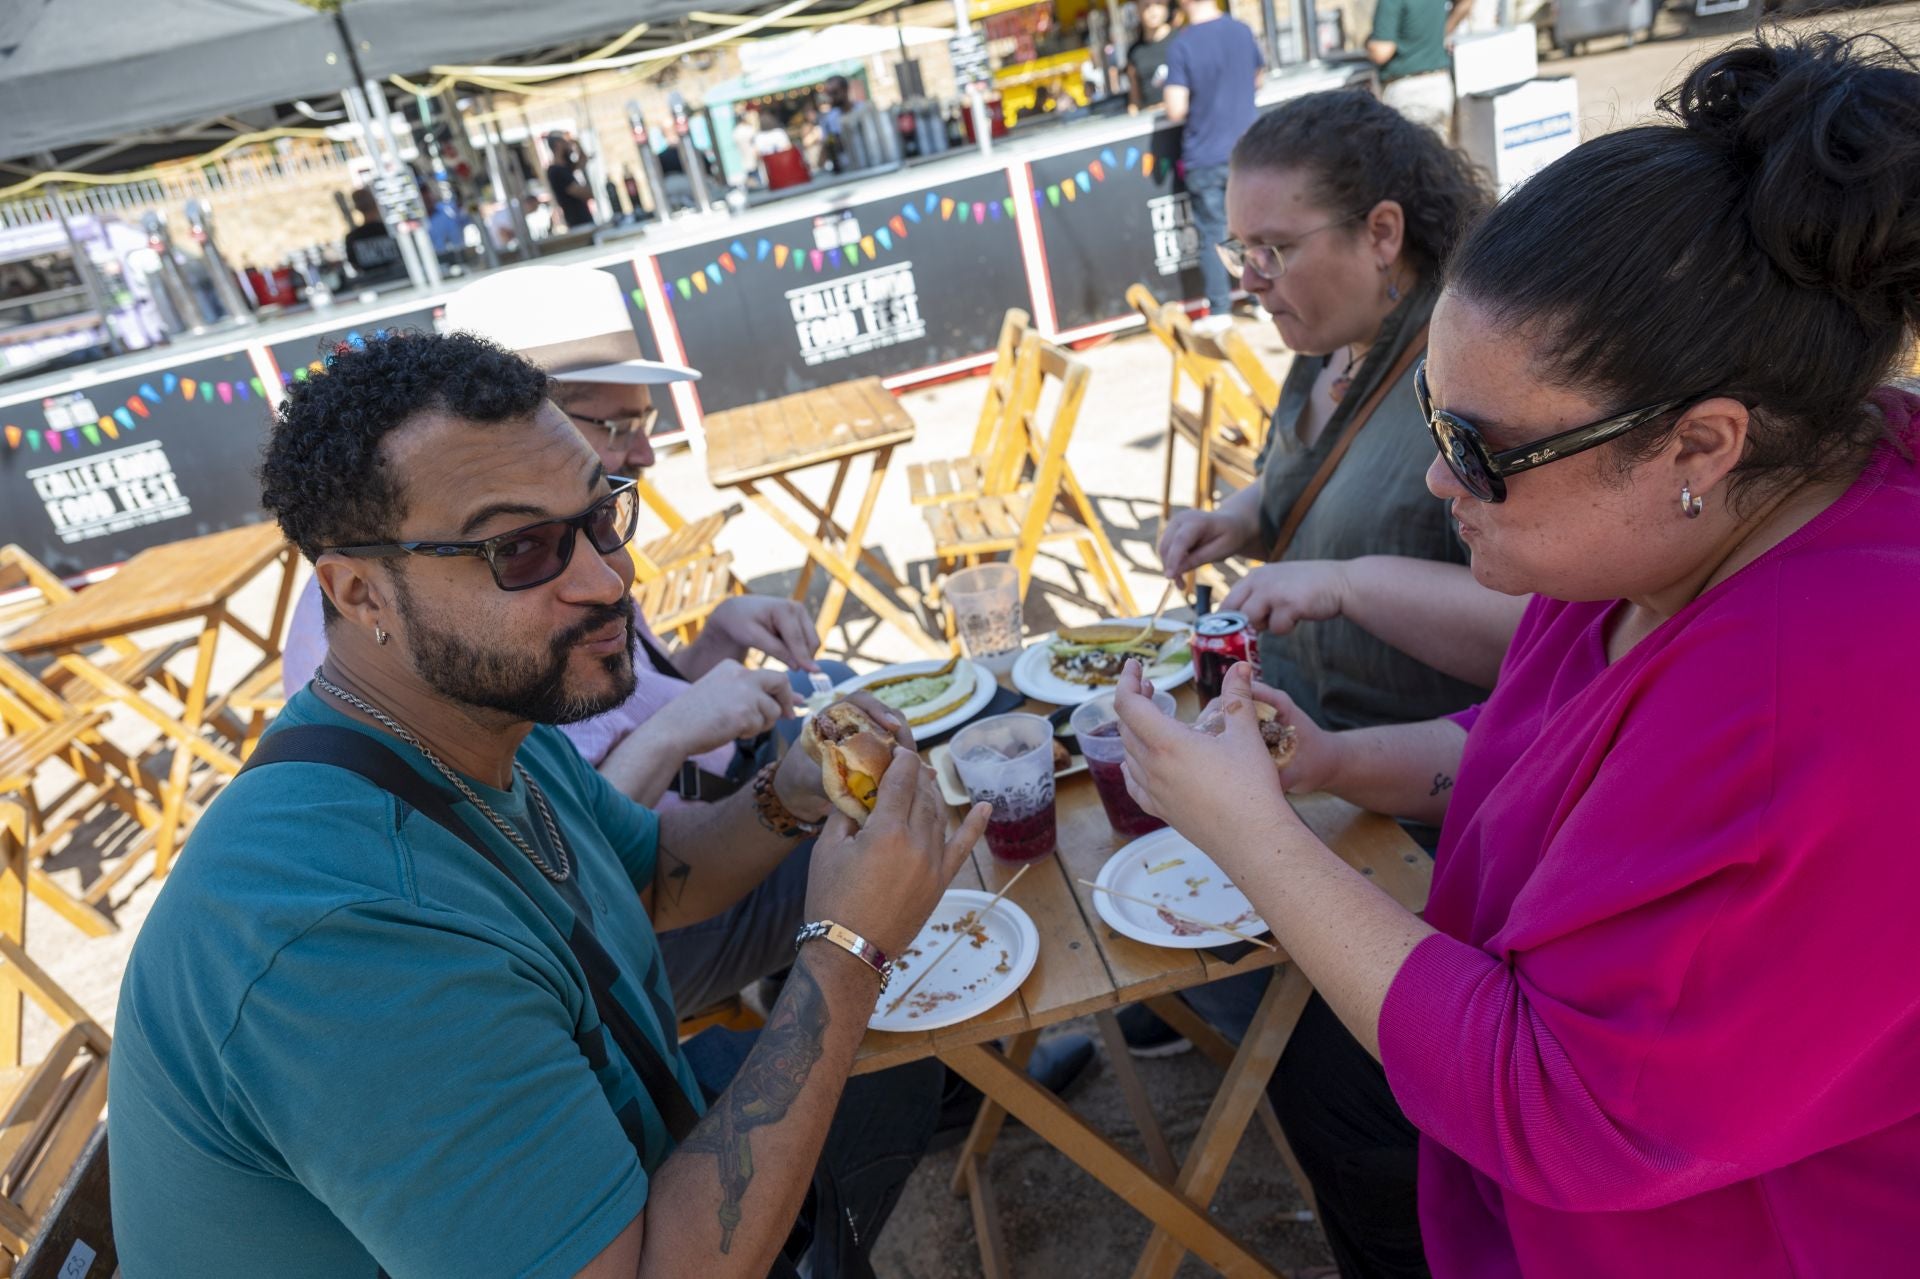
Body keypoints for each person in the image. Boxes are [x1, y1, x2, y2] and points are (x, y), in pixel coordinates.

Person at [1116, 31, 1920, 1277]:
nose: (1443, 477)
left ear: (1702, 446)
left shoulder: (1824, 688)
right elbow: (1531, 750)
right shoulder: (1684, 522)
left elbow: (1552, 1094)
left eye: (1484, 448)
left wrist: (1251, 838)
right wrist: (1327, 760)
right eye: (1437, 421)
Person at [108, 328, 989, 1277]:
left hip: (622, 1134)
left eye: (604, 517)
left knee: (899, 1079)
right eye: (521, 548)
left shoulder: (473, 724)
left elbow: (655, 879)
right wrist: (848, 950)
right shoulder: (338, 934)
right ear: (362, 592)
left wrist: (794, 791)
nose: (609, 581)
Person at [1161, 0, 1264, 326]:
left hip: (1205, 155)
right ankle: (1262, 300)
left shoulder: (1182, 45)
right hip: (1248, 150)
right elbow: (1257, 77)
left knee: (1213, 234)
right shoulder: (1241, 31)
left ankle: (1220, 310)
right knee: (1254, 230)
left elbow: (1175, 108)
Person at [1367, 0, 1475, 138]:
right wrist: (1442, 30)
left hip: (1408, 92)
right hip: (1440, 84)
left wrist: (1369, 46)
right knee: (1436, 153)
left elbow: (1381, 51)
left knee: (1408, 154)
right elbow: (1466, 2)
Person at [342, 187, 403, 281]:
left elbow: (355, 266)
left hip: (374, 286)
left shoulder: (353, 237)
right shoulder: (391, 229)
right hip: (401, 280)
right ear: (376, 204)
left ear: (357, 208)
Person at [1127, 1, 1175, 111]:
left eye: (1158, 3)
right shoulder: (1134, 51)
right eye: (1146, 5)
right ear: (1137, 9)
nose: (1152, 11)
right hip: (1150, 121)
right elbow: (1134, 97)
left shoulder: (1181, 40)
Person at [546, 132, 595, 231]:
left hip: (583, 220)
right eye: (565, 142)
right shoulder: (556, 171)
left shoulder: (565, 167)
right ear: (558, 144)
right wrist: (593, 192)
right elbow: (580, 193)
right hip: (577, 223)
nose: (568, 145)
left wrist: (577, 143)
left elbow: (582, 161)